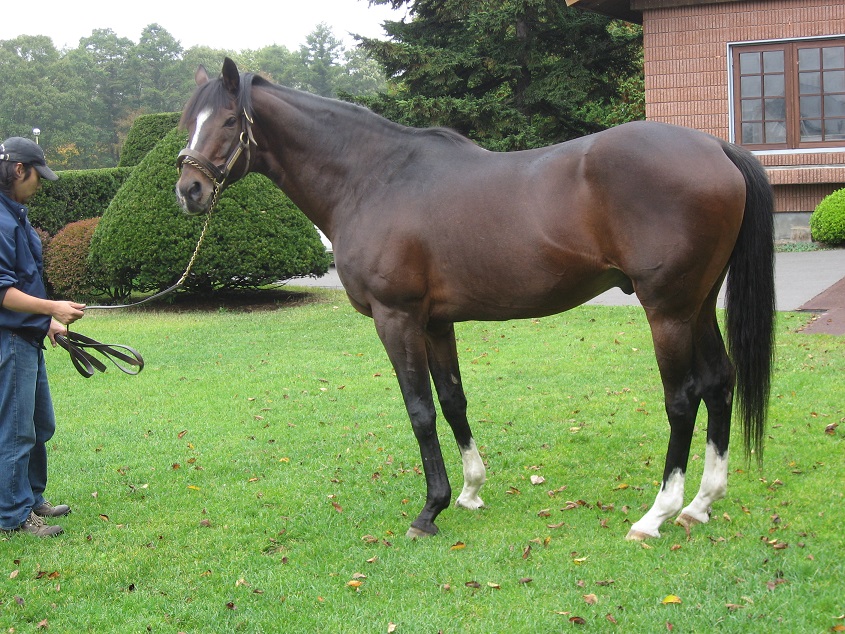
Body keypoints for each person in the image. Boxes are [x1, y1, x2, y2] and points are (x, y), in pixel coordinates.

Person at [0, 137, 85, 537]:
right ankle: (14, 517)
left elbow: (24, 282)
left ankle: (31, 498)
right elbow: (2, 291)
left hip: (28, 336)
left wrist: (47, 322)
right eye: (38, 175)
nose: (40, 183)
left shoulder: (14, 214)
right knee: (16, 430)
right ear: (20, 170)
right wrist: (52, 309)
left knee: (38, 424)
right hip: (9, 340)